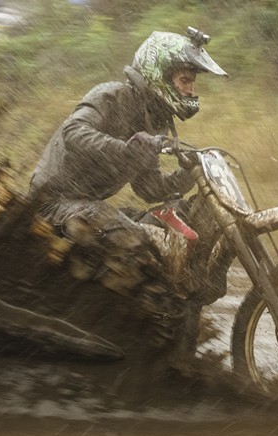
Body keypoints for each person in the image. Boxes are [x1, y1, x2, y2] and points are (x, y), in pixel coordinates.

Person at [27, 28, 227, 348]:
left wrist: (187, 174)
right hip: (52, 204)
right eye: (185, 80)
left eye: (192, 82)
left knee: (164, 225)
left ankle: (157, 322)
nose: (191, 89)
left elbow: (149, 187)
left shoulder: (154, 122)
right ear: (160, 74)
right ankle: (144, 323)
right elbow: (74, 133)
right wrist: (126, 148)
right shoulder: (111, 95)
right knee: (130, 235)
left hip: (87, 207)